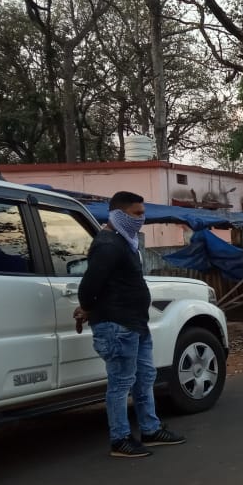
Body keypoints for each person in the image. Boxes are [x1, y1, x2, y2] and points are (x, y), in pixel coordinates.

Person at [76, 191, 186, 458]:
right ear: (118, 214)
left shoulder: (125, 242)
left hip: (134, 323)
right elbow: (89, 286)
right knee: (121, 382)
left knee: (145, 377)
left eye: (142, 213)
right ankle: (120, 439)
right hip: (117, 325)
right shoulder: (108, 245)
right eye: (137, 214)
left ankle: (150, 428)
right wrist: (87, 308)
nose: (142, 219)